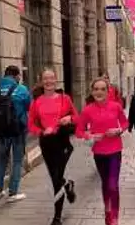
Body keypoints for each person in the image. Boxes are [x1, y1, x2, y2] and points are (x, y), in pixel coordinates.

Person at [28, 68, 78, 225]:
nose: (49, 81)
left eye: (51, 78)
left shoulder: (65, 99)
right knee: (55, 179)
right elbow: (31, 125)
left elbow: (78, 118)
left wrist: (69, 117)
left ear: (56, 80)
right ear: (42, 81)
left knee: (57, 180)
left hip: (62, 143)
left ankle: (57, 217)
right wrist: (42, 131)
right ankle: (68, 184)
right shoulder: (36, 102)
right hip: (47, 144)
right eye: (45, 79)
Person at [77, 77, 129, 225]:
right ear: (92, 92)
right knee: (105, 183)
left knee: (113, 184)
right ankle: (107, 209)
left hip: (115, 150)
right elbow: (79, 131)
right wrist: (90, 135)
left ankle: (114, 218)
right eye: (96, 89)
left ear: (108, 91)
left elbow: (125, 123)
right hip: (99, 152)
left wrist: (118, 130)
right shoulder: (87, 110)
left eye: (102, 89)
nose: (99, 92)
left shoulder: (116, 106)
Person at [0, 65, 31, 202]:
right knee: (17, 160)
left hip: (1, 132)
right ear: (16, 76)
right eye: (19, 76)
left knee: (2, 160)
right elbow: (29, 107)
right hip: (18, 131)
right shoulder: (22, 89)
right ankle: (13, 192)